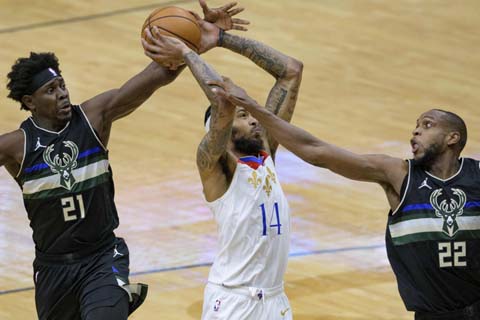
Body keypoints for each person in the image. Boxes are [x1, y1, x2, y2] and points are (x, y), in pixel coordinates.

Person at [0, 2, 245, 319]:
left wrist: (196, 41)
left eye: (62, 84)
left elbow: (155, 76)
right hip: (53, 269)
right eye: (50, 90)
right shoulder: (17, 147)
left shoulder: (93, 117)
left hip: (103, 256)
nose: (61, 93)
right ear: (30, 102)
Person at [207, 77, 479, 320]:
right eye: (416, 126)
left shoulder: (476, 176)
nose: (415, 132)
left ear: (452, 138)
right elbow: (316, 151)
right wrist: (254, 107)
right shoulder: (398, 175)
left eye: (427, 125)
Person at [142, 1, 303, 318]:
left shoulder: (264, 152)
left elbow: (291, 71)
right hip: (232, 301)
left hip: (274, 300)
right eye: (245, 116)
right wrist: (188, 52)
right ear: (224, 130)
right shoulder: (215, 165)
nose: (255, 120)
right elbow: (223, 104)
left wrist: (218, 38)